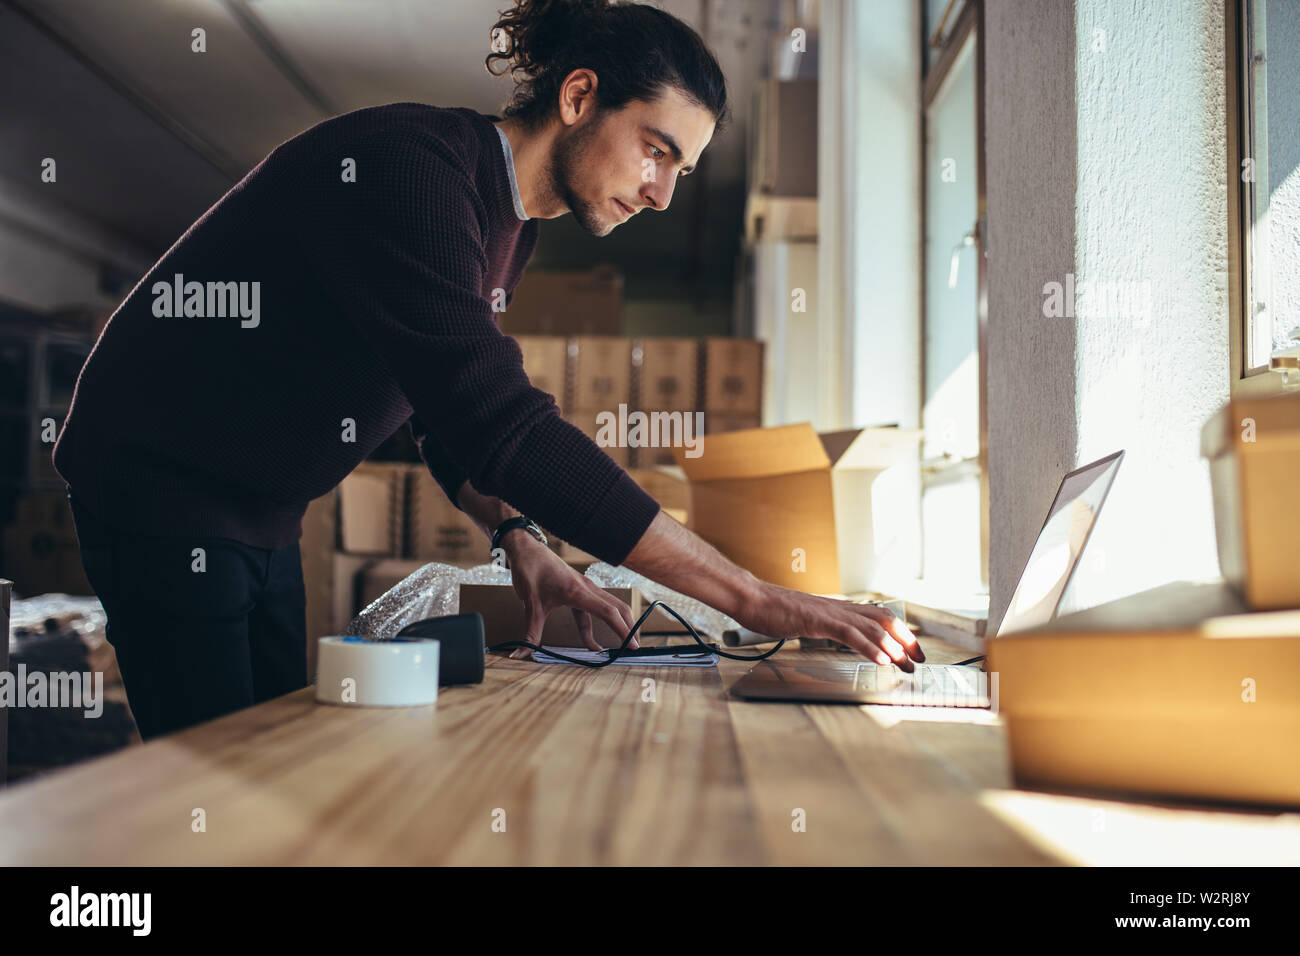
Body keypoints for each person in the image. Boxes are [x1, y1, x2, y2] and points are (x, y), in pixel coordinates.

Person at [54, 0, 923, 742]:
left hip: (262, 509)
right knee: (222, 786)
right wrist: (757, 600)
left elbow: (440, 412)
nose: (662, 193)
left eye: (681, 172)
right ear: (580, 95)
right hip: (160, 489)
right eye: (655, 150)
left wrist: (518, 537)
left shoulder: (513, 225)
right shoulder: (411, 172)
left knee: (276, 750)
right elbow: (499, 419)